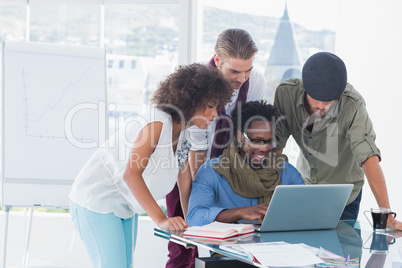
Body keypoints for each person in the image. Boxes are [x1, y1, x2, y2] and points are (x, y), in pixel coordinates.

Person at [69, 63, 232, 268]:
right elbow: (131, 174)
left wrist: (193, 226)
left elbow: (184, 179)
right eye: (210, 106)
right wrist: (162, 220)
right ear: (190, 101)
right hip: (96, 201)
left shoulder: (183, 133)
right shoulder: (157, 123)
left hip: (123, 206)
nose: (215, 113)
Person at [165, 28, 267, 268]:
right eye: (234, 71)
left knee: (227, 251)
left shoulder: (256, 82)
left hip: (227, 172)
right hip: (185, 170)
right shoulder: (196, 84)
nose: (242, 78)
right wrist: (195, 213)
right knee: (183, 249)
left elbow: (250, 133)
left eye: (248, 70)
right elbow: (195, 153)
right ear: (218, 60)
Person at [273, 51, 402, 230]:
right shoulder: (286, 94)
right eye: (315, 99)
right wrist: (269, 199)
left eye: (327, 102)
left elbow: (368, 158)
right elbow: (275, 149)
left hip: (343, 197)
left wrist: (386, 214)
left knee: (340, 255)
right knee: (301, 250)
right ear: (305, 88)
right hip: (305, 188)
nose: (320, 106)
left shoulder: (353, 105)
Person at [186, 100, 305, 226]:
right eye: (256, 141)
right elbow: (194, 218)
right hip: (227, 245)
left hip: (277, 244)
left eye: (269, 141)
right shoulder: (212, 172)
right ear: (240, 136)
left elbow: (308, 211)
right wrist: (240, 213)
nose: (264, 148)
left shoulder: (286, 172)